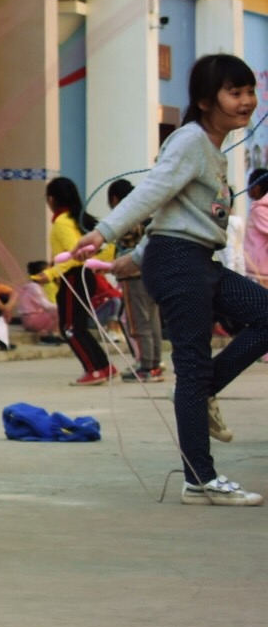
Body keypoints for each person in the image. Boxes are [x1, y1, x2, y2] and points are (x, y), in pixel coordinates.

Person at [68, 53, 268, 504]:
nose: (246, 101)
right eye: (234, 93)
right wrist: (103, 233)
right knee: (192, 367)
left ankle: (205, 394)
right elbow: (154, 192)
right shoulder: (190, 141)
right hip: (180, 261)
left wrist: (135, 257)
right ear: (204, 101)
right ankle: (200, 478)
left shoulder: (210, 149)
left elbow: (173, 212)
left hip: (193, 259)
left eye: (249, 91)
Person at [41, 176, 113, 383]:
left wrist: (51, 273)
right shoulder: (77, 220)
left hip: (74, 277)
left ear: (52, 199)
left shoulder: (62, 223)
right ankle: (103, 366)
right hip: (81, 277)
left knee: (70, 327)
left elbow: (76, 254)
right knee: (77, 326)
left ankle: (95, 369)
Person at [97, 177, 164, 378]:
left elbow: (117, 248)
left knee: (138, 322)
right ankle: (154, 363)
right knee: (152, 320)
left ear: (115, 198)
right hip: (153, 275)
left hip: (133, 277)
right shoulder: (146, 215)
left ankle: (145, 366)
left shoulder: (126, 218)